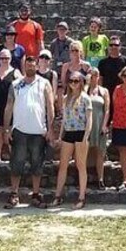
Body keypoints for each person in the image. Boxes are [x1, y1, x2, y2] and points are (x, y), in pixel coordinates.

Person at [3, 56, 55, 209]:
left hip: (38, 131)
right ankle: (14, 194)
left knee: (37, 165)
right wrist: (6, 129)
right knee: (16, 163)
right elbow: (9, 106)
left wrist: (50, 128)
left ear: (37, 66)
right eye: (28, 65)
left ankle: (36, 194)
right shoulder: (15, 84)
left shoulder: (44, 83)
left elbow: (50, 106)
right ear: (24, 66)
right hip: (19, 130)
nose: (31, 67)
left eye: (33, 65)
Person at [50, 71, 92, 209]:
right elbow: (64, 120)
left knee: (81, 165)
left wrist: (86, 136)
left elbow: (89, 118)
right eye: (71, 81)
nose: (73, 83)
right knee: (63, 165)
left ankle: (81, 197)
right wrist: (61, 136)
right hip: (69, 132)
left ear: (81, 82)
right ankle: (58, 195)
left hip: (80, 133)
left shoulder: (85, 98)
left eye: (76, 81)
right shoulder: (66, 98)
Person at [98, 35, 126, 123]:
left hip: (122, 93)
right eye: (111, 45)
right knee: (106, 119)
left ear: (120, 46)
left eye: (116, 45)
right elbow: (100, 79)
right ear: (108, 47)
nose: (113, 47)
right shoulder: (102, 62)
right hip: (107, 93)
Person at [87, 74, 111, 189]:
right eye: (91, 75)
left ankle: (100, 179)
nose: (93, 78)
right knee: (84, 151)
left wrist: (104, 125)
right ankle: (84, 178)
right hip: (87, 124)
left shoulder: (104, 91)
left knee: (100, 151)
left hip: (99, 122)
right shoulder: (84, 89)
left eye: (95, 75)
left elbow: (107, 110)